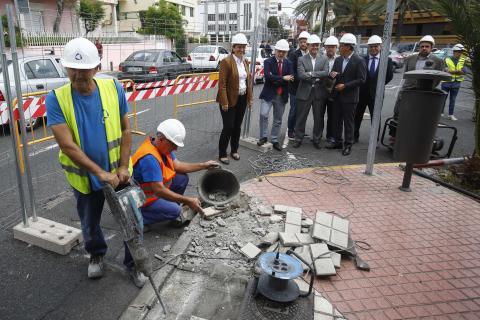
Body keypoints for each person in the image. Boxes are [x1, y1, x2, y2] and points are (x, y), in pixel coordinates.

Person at [45, 38, 145, 287]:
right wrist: (100, 173)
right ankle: (97, 255)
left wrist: (122, 167)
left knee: (132, 220)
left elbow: (126, 130)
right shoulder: (56, 99)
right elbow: (67, 145)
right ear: (66, 68)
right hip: (86, 177)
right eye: (72, 69)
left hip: (119, 174)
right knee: (89, 223)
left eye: (84, 69)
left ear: (97, 68)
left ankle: (135, 264)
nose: (78, 75)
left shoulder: (113, 88)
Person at [132, 119, 218, 226]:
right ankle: (138, 219)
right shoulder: (149, 158)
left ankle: (168, 209)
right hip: (143, 199)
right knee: (175, 211)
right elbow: (158, 190)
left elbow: (178, 166)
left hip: (154, 192)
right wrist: (187, 200)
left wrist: (204, 165)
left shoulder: (160, 147)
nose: (176, 149)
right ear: (162, 139)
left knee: (181, 178)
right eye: (173, 145)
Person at [216, 33, 253, 164]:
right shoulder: (226, 62)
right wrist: (224, 102)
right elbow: (222, 84)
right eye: (239, 47)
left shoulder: (245, 61)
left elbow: (248, 81)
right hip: (228, 99)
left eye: (243, 47)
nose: (241, 50)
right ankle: (222, 153)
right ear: (233, 47)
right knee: (228, 126)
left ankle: (234, 150)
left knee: (237, 126)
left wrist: (249, 98)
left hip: (242, 98)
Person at [327, 33, 366, 156]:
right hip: (338, 96)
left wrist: (345, 86)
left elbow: (361, 79)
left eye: (342, 45)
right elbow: (337, 75)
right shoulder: (338, 60)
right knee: (336, 120)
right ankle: (337, 141)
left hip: (350, 98)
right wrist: (333, 75)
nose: (339, 48)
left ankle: (348, 144)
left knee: (349, 122)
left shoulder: (359, 61)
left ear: (348, 47)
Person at [393, 35, 445, 120]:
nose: (424, 48)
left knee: (418, 117)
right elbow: (406, 73)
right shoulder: (410, 58)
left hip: (425, 93)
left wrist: (430, 87)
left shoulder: (438, 61)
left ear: (431, 48)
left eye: (427, 46)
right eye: (422, 46)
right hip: (407, 90)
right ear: (419, 47)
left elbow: (438, 78)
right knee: (400, 114)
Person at [354, 35, 393, 143]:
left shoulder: (387, 60)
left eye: (375, 46)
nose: (373, 49)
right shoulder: (362, 59)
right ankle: (354, 136)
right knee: (357, 116)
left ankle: (374, 139)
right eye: (371, 47)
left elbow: (389, 76)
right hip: (362, 93)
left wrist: (378, 86)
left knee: (375, 118)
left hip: (377, 94)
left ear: (380, 47)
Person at [292, 34, 329, 149]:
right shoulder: (301, 59)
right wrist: (317, 75)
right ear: (308, 46)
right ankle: (298, 138)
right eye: (312, 45)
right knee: (301, 117)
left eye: (317, 45)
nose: (315, 47)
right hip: (304, 92)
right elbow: (301, 75)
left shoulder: (324, 58)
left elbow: (326, 72)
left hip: (318, 92)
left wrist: (311, 74)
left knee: (318, 118)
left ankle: (316, 139)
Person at [257, 39, 294, 151]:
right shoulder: (268, 61)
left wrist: (276, 78)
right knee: (263, 114)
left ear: (286, 52)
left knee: (278, 119)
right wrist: (283, 78)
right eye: (279, 51)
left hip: (281, 95)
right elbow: (268, 77)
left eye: (283, 51)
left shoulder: (289, 63)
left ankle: (274, 139)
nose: (281, 53)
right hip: (268, 94)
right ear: (275, 50)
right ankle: (263, 136)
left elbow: (291, 78)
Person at [287, 31, 310, 139]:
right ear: (298, 43)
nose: (303, 44)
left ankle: (299, 130)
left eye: (305, 42)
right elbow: (292, 71)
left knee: (302, 111)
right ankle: (291, 131)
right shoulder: (293, 54)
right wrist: (303, 78)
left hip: (306, 88)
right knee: (294, 110)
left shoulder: (310, 55)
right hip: (295, 88)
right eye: (301, 42)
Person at [441, 44, 467, 121]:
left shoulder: (463, 60)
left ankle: (450, 114)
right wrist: (457, 71)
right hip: (446, 82)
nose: (460, 53)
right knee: (443, 99)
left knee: (453, 100)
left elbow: (464, 72)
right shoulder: (447, 59)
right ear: (454, 52)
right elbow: (445, 70)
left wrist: (453, 72)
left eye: (461, 52)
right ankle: (440, 112)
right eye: (458, 52)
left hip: (456, 84)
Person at [323, 35, 340, 143]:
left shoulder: (339, 59)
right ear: (325, 47)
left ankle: (330, 136)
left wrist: (337, 74)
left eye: (332, 47)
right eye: (328, 47)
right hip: (321, 90)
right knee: (319, 115)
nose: (330, 49)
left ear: (336, 48)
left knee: (332, 115)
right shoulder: (320, 58)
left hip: (334, 92)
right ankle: (317, 135)